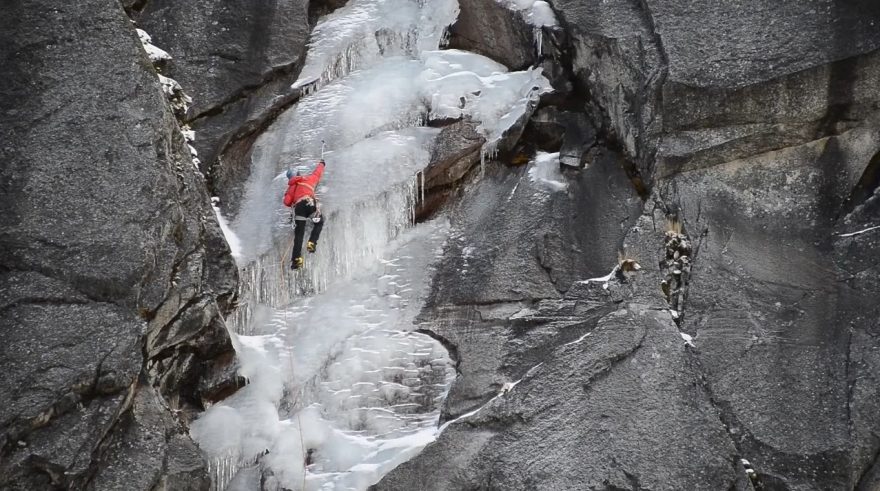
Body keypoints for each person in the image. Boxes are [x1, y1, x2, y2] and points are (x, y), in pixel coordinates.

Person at [282, 159, 326, 270]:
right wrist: (322, 164)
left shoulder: (291, 188)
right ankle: (312, 242)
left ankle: (297, 260)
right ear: (298, 174)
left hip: (299, 209)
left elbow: (287, 202)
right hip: (309, 203)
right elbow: (317, 173)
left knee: (299, 235)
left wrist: (289, 194)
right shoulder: (308, 179)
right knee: (319, 222)